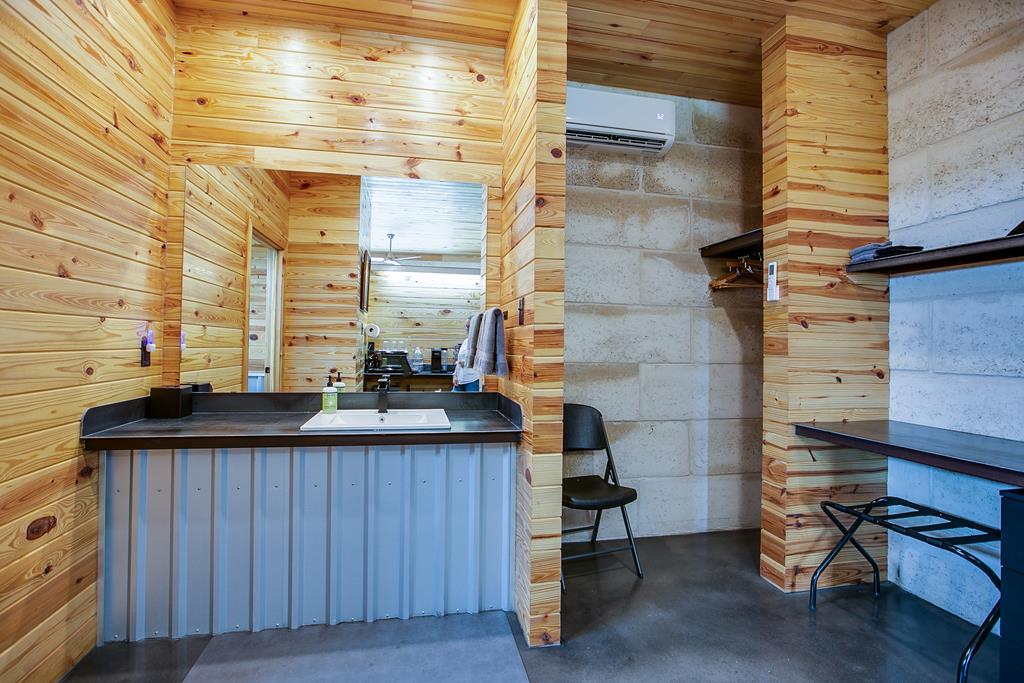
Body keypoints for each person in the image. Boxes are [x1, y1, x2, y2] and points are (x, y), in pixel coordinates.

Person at [452, 317, 481, 392]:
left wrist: (466, 363)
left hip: (473, 380)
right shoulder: (465, 341)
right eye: (466, 326)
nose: (467, 328)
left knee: (472, 403)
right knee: (453, 401)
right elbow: (459, 360)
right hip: (460, 379)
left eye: (469, 326)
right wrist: (455, 375)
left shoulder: (480, 342)